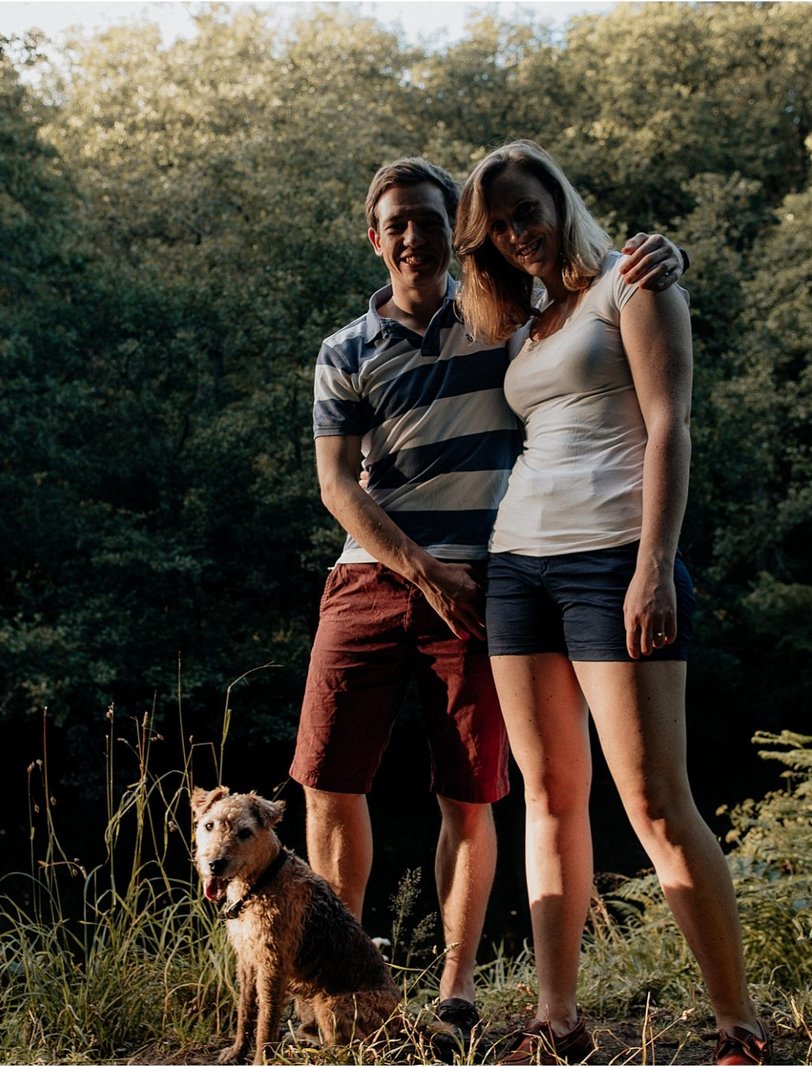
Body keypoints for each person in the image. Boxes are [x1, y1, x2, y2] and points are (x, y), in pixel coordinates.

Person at [289, 156, 686, 1046]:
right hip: (371, 575)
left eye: (428, 219)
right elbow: (336, 488)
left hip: (492, 581)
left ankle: (455, 993)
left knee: (469, 797)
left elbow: (592, 316)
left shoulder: (500, 326)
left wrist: (656, 256)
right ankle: (345, 991)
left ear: (451, 232)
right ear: (374, 237)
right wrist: (424, 570)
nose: (411, 236)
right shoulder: (342, 351)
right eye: (394, 222)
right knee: (326, 782)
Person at [452, 140, 771, 1066]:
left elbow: (670, 421)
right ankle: (557, 1023)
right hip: (517, 567)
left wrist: (652, 565)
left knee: (656, 801)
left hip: (611, 561)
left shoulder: (633, 278)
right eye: (498, 225)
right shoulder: (526, 323)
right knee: (549, 797)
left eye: (526, 209)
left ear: (559, 196)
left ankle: (737, 1028)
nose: (516, 232)